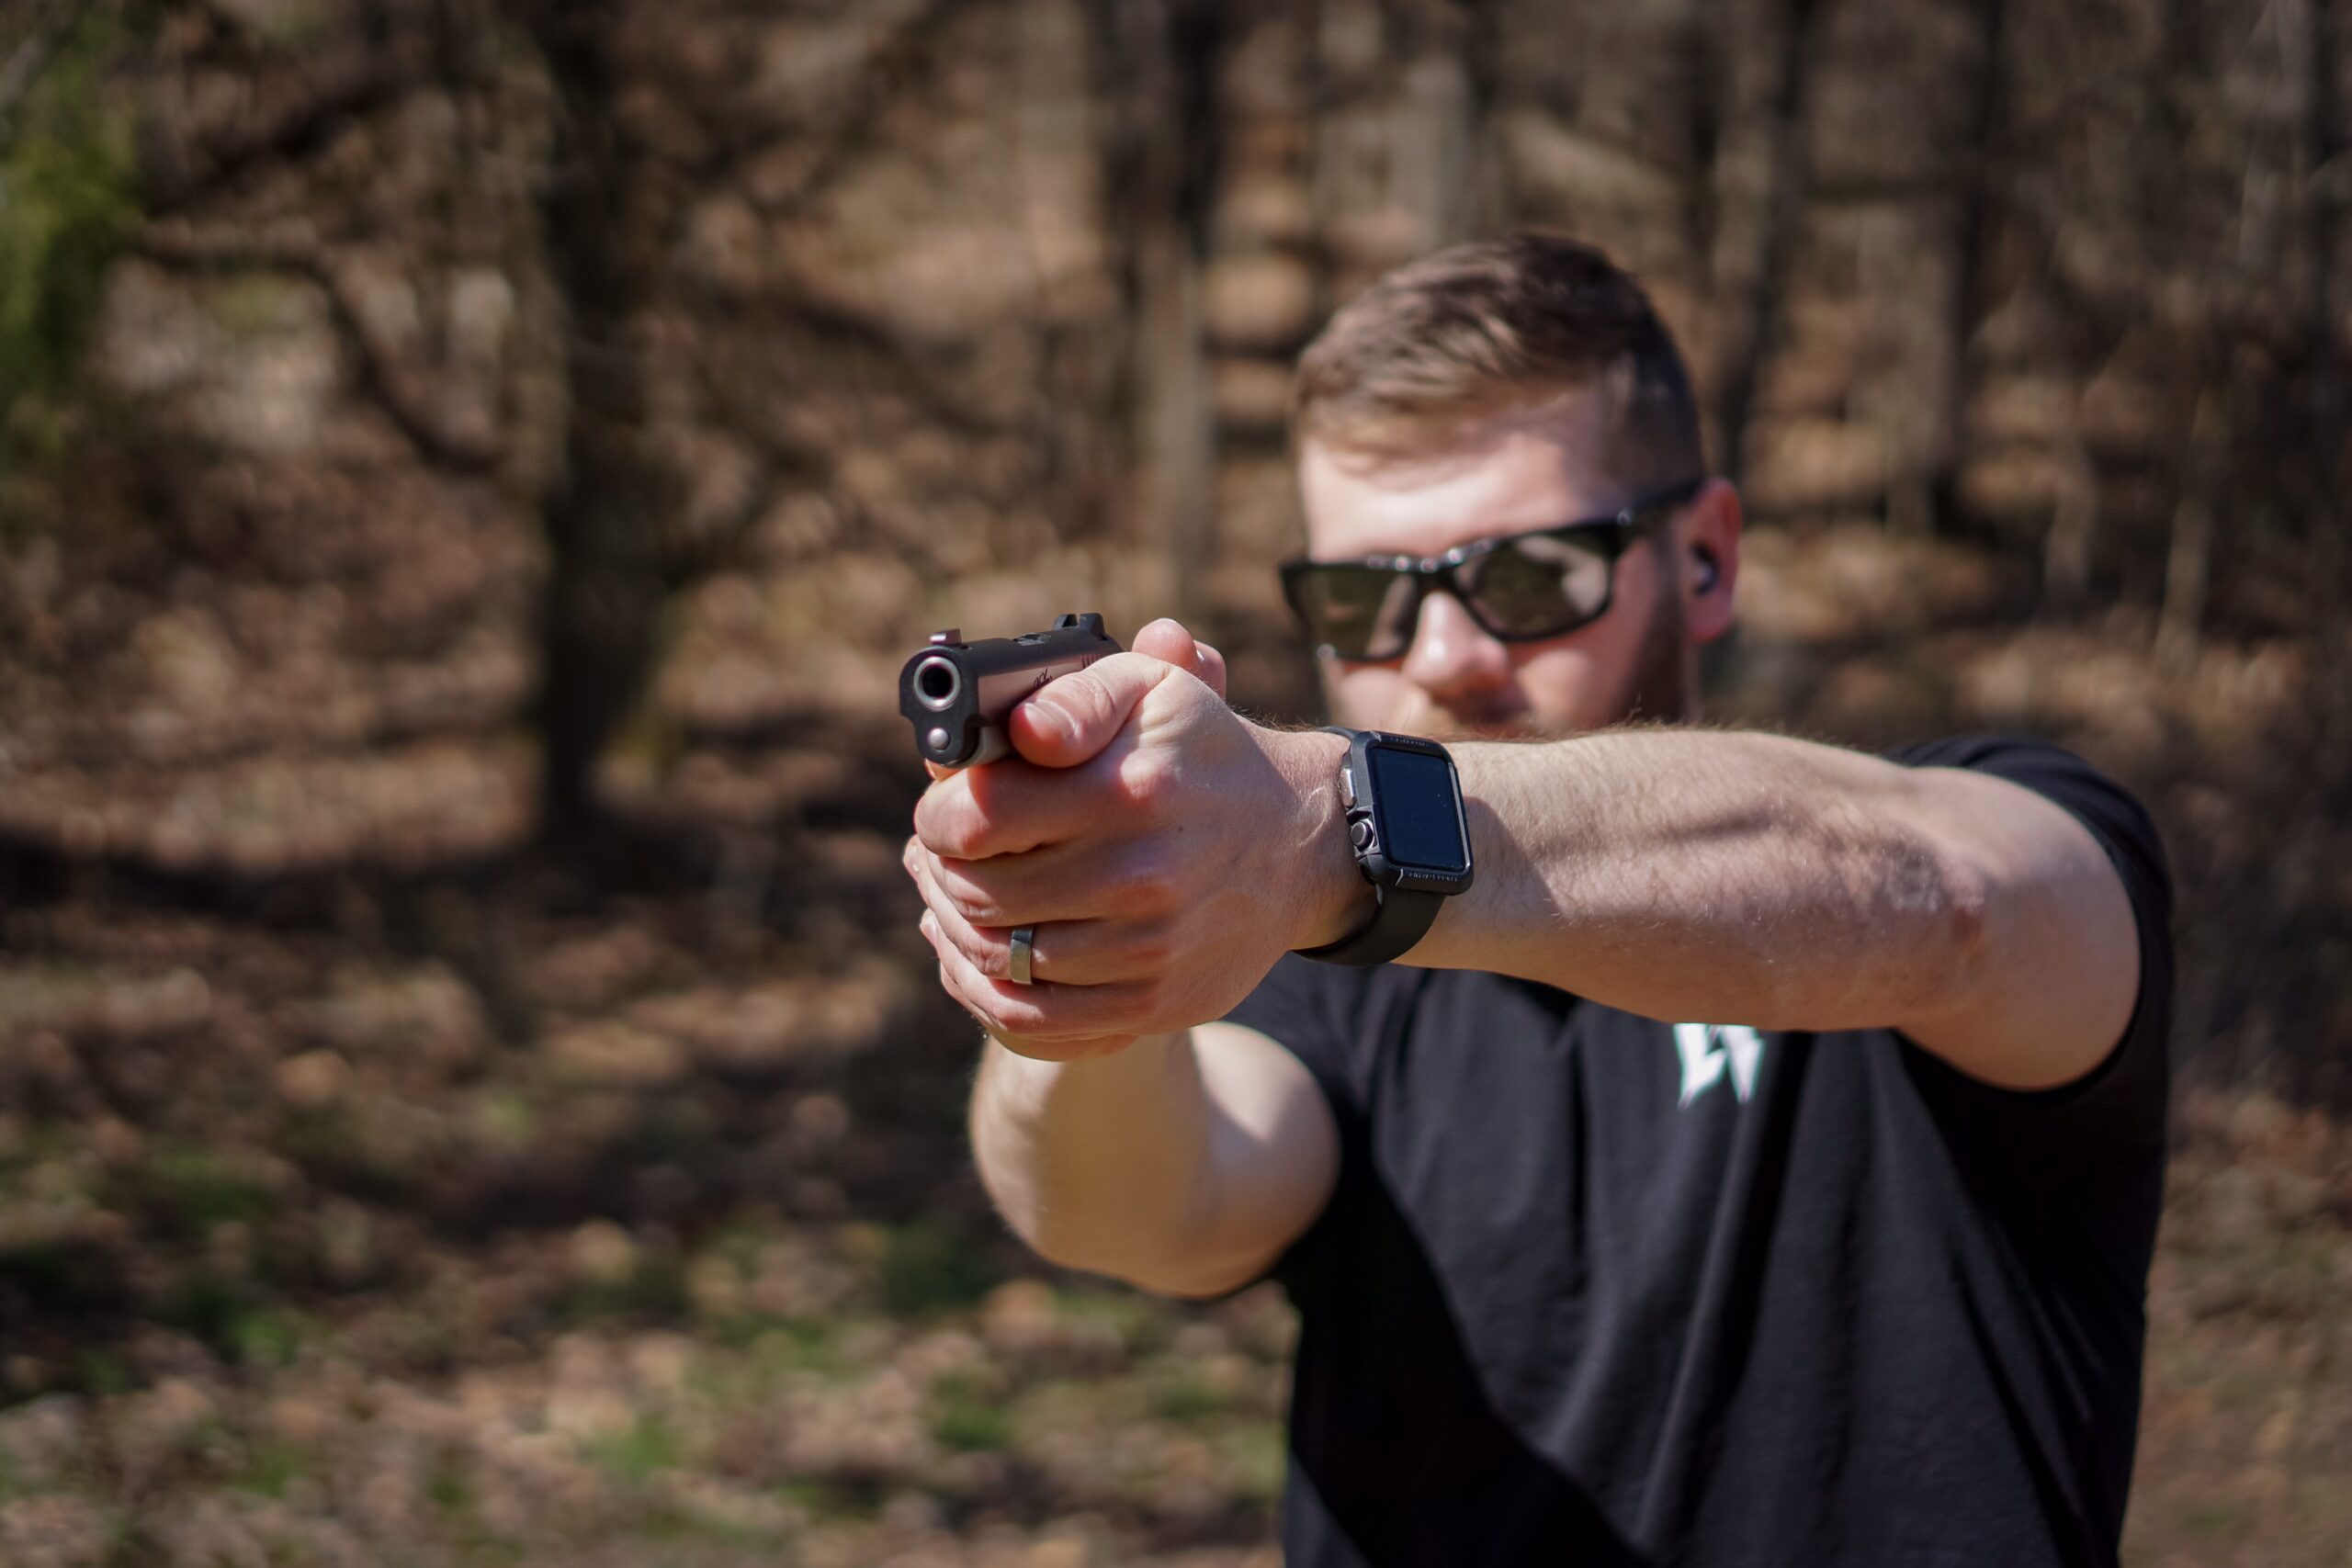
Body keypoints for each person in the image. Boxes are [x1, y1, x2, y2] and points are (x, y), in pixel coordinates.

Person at [900, 233, 2171, 1567]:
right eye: (1366, 599)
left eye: (1526, 578)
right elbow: (1150, 1213)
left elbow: (1939, 900)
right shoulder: (1324, 962)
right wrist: (1074, 972)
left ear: (1706, 557)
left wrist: (1338, 827)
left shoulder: (2005, 823)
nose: (1444, 659)